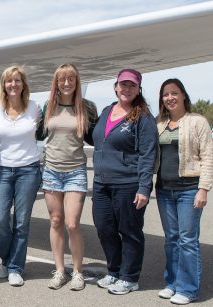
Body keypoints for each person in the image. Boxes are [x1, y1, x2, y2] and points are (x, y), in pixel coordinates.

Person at [91, 68, 158, 295]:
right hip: (101, 183)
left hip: (128, 183)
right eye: (123, 84)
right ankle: (114, 270)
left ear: (139, 89)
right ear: (116, 87)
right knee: (104, 228)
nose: (126, 89)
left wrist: (144, 188)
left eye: (132, 85)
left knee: (129, 231)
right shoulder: (107, 110)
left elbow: (148, 154)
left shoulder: (143, 117)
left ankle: (129, 277)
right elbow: (95, 137)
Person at [154, 79, 212, 305]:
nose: (170, 98)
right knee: (171, 239)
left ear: (183, 96)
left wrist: (203, 189)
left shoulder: (197, 121)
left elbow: (208, 156)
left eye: (174, 93)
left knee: (188, 240)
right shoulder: (160, 123)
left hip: (189, 189)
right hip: (164, 190)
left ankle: (188, 289)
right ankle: (172, 283)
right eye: (165, 94)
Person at [40, 64, 98, 291]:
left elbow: (96, 137)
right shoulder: (49, 106)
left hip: (75, 171)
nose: (66, 83)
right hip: (52, 170)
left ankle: (77, 272)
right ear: (56, 82)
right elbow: (38, 133)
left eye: (71, 79)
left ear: (77, 81)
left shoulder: (86, 108)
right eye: (62, 79)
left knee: (72, 223)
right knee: (55, 221)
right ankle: (60, 271)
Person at [0, 65, 42, 287]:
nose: (13, 84)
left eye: (17, 80)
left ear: (23, 84)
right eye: (9, 81)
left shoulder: (35, 108)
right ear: (4, 84)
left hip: (28, 169)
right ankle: (6, 260)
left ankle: (15, 267)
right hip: (2, 169)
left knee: (21, 222)